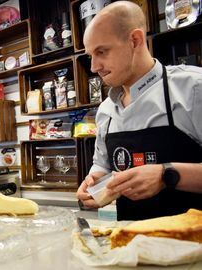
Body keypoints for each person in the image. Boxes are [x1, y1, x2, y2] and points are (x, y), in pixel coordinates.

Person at [76, 1, 202, 220]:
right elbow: (102, 164)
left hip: (193, 244)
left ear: (135, 40)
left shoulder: (193, 88)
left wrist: (167, 175)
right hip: (131, 244)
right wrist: (94, 181)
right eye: (90, 56)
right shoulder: (105, 110)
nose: (94, 67)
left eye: (102, 52)